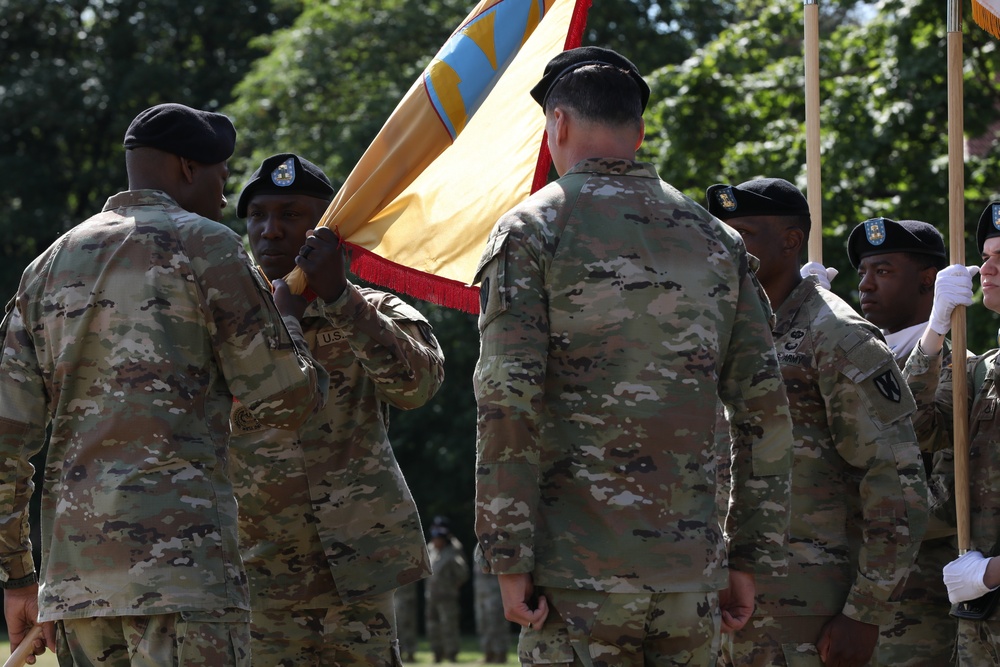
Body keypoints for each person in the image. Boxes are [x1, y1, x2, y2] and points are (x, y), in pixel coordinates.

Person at [473, 46, 794, 667]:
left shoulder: (532, 230)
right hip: (689, 576)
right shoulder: (716, 238)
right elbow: (765, 408)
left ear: (558, 124)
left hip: (575, 575)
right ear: (639, 134)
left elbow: (507, 400)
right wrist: (748, 558)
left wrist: (507, 559)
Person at [0, 103, 331, 666]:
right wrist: (290, 318)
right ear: (186, 168)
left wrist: (16, 574)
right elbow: (284, 400)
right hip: (185, 578)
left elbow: (4, 441)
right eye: (221, 178)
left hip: (78, 586)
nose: (226, 197)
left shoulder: (46, 267)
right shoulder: (209, 247)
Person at [229, 152, 445, 666]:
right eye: (258, 216)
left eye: (291, 214)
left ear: (323, 229)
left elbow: (418, 386)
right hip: (253, 570)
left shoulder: (373, 309)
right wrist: (281, 325)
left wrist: (341, 298)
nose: (271, 230)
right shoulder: (222, 321)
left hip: (355, 571)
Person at [707, 179, 928, 666]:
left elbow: (899, 484)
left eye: (741, 234)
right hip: (721, 611)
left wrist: (865, 613)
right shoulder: (725, 329)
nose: (726, 246)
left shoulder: (837, 337)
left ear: (790, 240)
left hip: (807, 621)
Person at [845, 217, 958, 665]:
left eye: (884, 272)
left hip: (914, 598)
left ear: (927, 280)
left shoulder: (954, 368)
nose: (866, 286)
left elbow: (953, 496)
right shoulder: (863, 361)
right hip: (852, 588)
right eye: (863, 274)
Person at [902, 201, 1000, 666]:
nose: (988, 268)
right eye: (986, 256)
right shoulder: (983, 372)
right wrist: (935, 333)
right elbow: (915, 428)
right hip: (979, 616)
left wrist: (995, 573)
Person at [424, 516, 469, 664]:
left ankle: (451, 655)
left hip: (447, 596)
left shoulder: (452, 552)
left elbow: (463, 573)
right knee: (432, 626)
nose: (436, 540)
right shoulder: (431, 549)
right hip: (431, 596)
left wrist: (453, 586)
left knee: (449, 626)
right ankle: (437, 653)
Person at [474, 546, 509, 664]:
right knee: (483, 624)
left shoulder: (496, 543)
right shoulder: (479, 545)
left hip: (495, 593)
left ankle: (500, 654)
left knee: (496, 624)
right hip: (481, 594)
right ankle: (488, 654)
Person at [394, 581, 420, 663]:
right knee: (396, 627)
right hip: (395, 600)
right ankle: (398, 652)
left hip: (407, 599)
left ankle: (410, 653)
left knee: (408, 626)